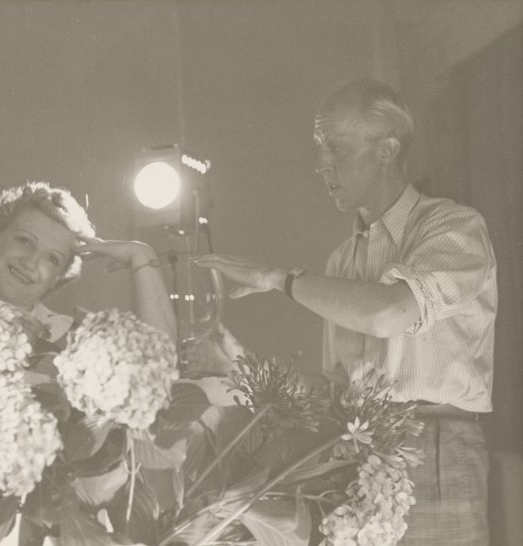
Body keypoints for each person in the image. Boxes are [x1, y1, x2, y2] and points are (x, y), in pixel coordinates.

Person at [195, 78, 497, 545]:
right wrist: (241, 366)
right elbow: (336, 395)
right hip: (357, 457)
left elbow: (390, 313)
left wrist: (279, 279)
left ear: (386, 149)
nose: (321, 165)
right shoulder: (342, 261)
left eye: (334, 147)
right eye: (319, 149)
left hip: (437, 451)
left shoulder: (454, 227)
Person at [0, 181, 176, 427]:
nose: (30, 262)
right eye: (24, 240)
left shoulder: (74, 342)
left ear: (58, 278)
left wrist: (142, 257)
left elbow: (156, 379)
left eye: (52, 258)